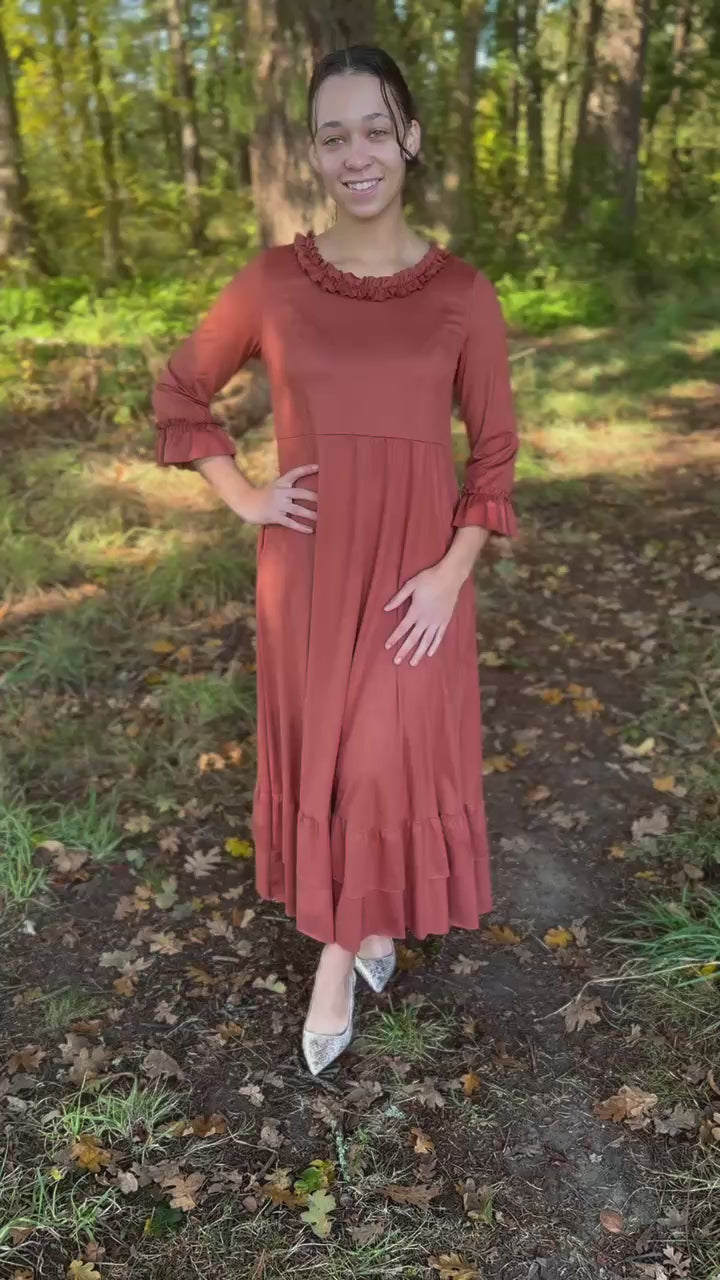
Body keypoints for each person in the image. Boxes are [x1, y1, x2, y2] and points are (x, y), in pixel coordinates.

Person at [151, 44, 519, 1077]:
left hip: (417, 576)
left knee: (379, 757)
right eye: (333, 135)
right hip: (308, 571)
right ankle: (366, 921)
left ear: (410, 138)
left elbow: (495, 455)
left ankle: (334, 958)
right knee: (338, 757)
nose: (356, 153)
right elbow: (180, 391)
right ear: (313, 153)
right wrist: (246, 495)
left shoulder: (464, 294)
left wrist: (451, 574)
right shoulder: (274, 283)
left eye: (374, 129)